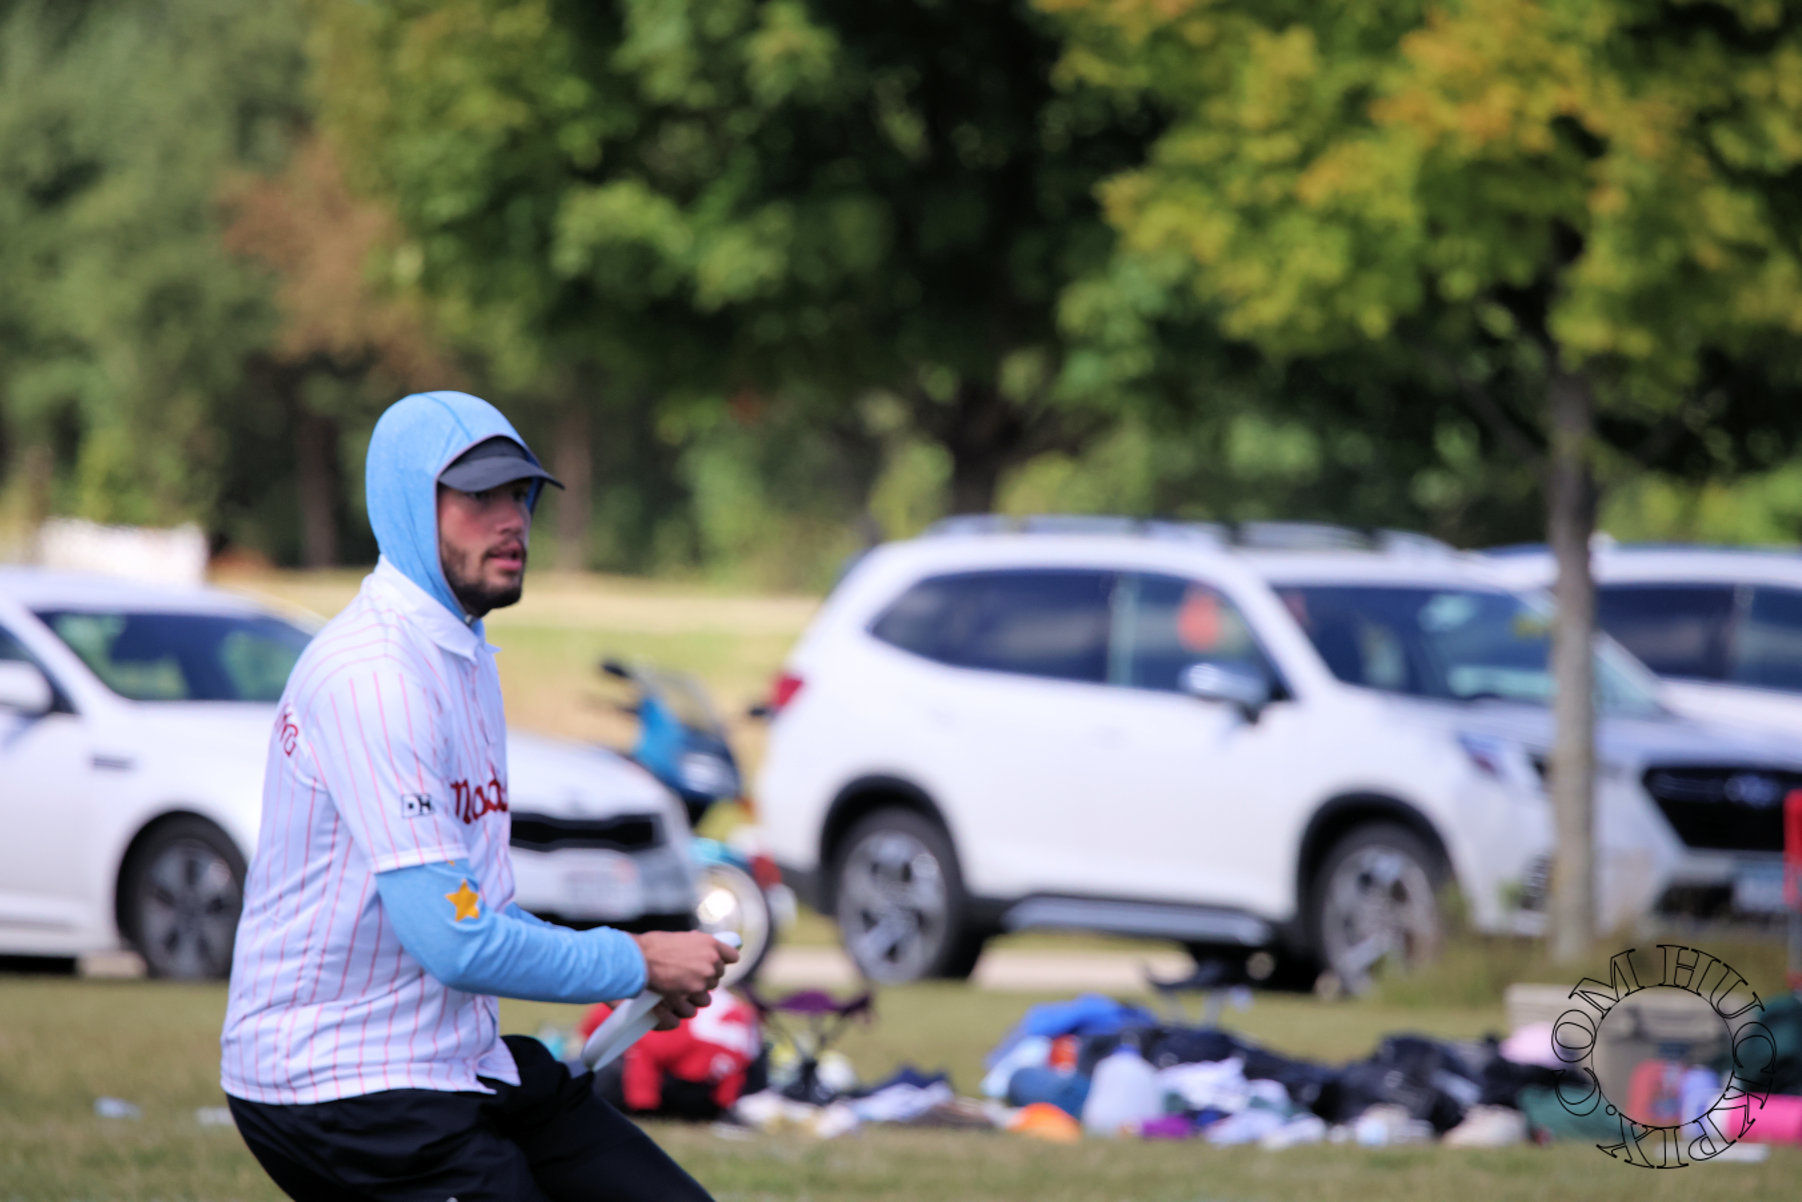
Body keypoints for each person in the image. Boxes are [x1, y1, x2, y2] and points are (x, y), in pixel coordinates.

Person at [221, 390, 736, 1202]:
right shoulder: (375, 678)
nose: (511, 520)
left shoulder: (460, 653)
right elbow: (454, 942)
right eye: (477, 496)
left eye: (520, 494)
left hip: (456, 1064)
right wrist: (634, 959)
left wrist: (628, 971)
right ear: (406, 504)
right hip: (338, 1089)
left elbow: (475, 910)